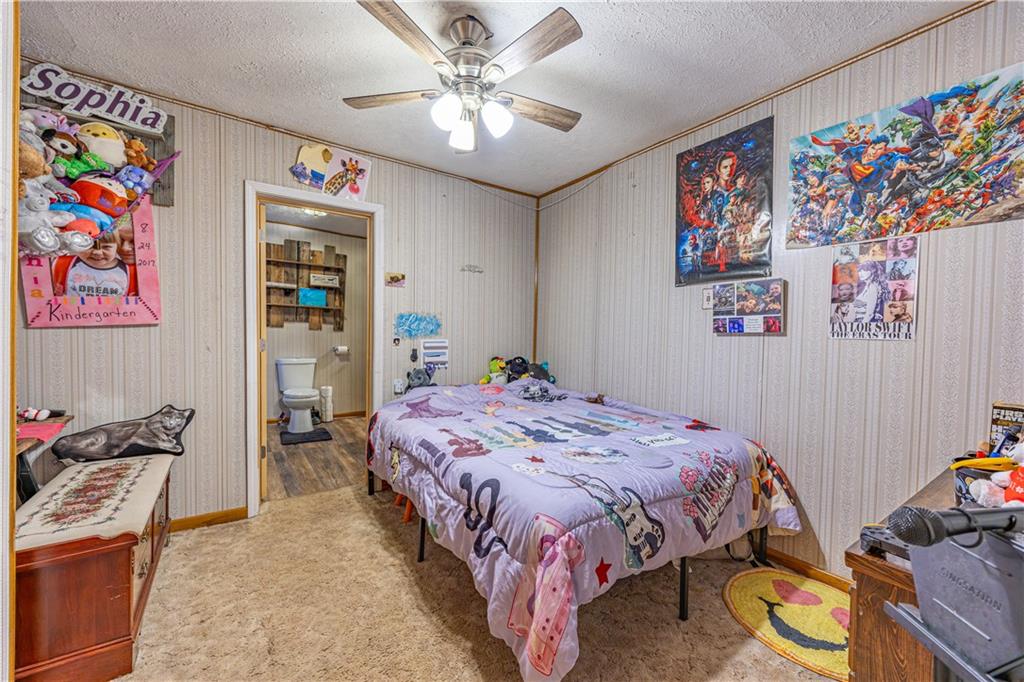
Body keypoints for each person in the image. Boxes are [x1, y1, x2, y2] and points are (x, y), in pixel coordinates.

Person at [52, 232, 128, 297]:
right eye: (89, 246)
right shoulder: (61, 265)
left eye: (106, 247)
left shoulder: (130, 271)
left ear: (118, 246)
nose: (97, 252)